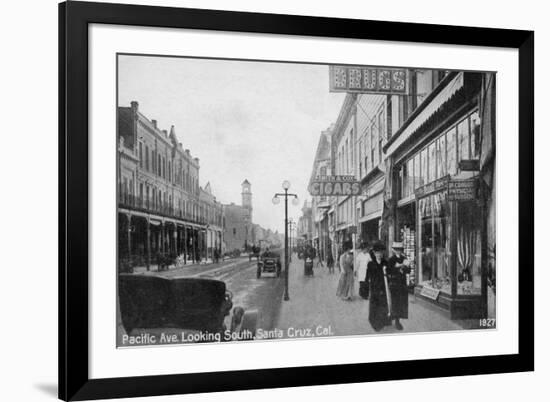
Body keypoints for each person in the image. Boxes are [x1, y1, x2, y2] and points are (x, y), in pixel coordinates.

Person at [366, 241, 392, 331]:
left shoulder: (386, 263)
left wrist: (387, 274)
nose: (379, 254)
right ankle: (375, 323)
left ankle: (384, 321)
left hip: (384, 288)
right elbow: (368, 277)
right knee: (375, 306)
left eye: (381, 252)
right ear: (374, 253)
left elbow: (390, 275)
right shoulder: (371, 264)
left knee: (383, 305)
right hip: (374, 288)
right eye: (377, 253)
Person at [387, 242, 411, 330]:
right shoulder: (391, 259)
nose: (398, 251)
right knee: (395, 302)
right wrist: (398, 268)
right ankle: (396, 320)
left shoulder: (404, 258)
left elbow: (409, 270)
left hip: (402, 283)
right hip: (394, 283)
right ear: (393, 250)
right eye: (396, 250)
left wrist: (404, 268)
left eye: (400, 250)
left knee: (402, 302)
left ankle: (397, 318)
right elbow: (388, 271)